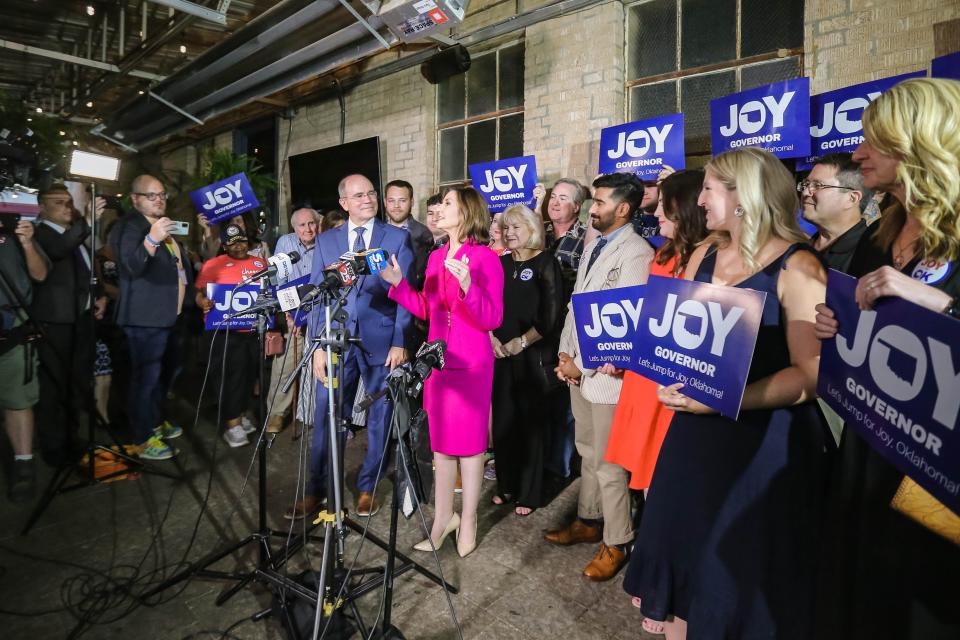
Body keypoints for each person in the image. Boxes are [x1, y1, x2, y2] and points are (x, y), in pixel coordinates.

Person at [628, 147, 829, 640]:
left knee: (730, 582)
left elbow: (811, 375)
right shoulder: (703, 254)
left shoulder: (798, 265)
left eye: (710, 188)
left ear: (744, 196)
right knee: (682, 570)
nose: (699, 199)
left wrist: (729, 399)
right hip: (691, 440)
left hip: (757, 448)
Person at [813, 77, 960, 640]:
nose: (857, 153)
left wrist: (942, 302)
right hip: (872, 446)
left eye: (873, 141)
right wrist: (838, 328)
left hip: (935, 473)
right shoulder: (883, 231)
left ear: (919, 142)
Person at [380, 187, 504, 558]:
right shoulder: (435, 258)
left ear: (467, 212)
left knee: (470, 449)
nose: (439, 210)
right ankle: (442, 519)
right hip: (438, 364)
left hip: (471, 365)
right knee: (442, 448)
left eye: (448, 204)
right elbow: (427, 308)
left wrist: (468, 287)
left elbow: (492, 317)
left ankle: (468, 520)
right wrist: (397, 284)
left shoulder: (485, 259)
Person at [544, 172, 654, 582]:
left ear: (624, 209)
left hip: (607, 376)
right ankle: (589, 521)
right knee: (587, 452)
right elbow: (579, 307)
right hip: (579, 369)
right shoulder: (596, 245)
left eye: (601, 202)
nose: (594, 208)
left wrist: (582, 364)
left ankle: (618, 539)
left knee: (609, 465)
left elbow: (619, 325)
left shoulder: (637, 253)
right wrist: (565, 352)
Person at [292, 174, 414, 520]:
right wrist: (316, 346)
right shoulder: (327, 241)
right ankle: (316, 490)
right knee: (326, 413)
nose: (368, 199)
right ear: (343, 203)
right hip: (334, 341)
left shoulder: (397, 238)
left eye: (371, 193)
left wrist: (399, 341)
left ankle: (367, 487)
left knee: (379, 416)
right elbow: (317, 293)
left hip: (381, 342)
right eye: (358, 195)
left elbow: (404, 293)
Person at [109, 174, 193, 460]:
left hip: (168, 317)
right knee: (145, 379)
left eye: (162, 195)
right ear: (135, 199)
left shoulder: (160, 227)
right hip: (144, 318)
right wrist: (152, 239)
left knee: (162, 376)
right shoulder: (128, 227)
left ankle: (155, 421)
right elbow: (131, 266)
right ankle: (142, 437)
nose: (159, 200)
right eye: (151, 195)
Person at [489, 204, 564, 516]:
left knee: (531, 425)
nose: (509, 233)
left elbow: (551, 315)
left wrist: (521, 342)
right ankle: (506, 485)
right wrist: (492, 338)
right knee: (504, 423)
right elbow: (489, 306)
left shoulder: (547, 262)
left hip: (533, 357)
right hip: (500, 355)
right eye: (506, 227)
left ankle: (529, 494)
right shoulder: (501, 264)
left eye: (516, 227)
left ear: (531, 228)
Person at [30, 185, 107, 467]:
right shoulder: (41, 234)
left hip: (82, 319)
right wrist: (87, 221)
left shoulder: (74, 233)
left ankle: (73, 439)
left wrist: (98, 296)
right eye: (59, 202)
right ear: (42, 206)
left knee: (77, 383)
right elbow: (59, 251)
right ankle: (54, 448)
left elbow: (87, 270)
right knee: (54, 387)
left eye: (69, 202)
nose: (67, 207)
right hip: (57, 323)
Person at [194, 224, 266, 447]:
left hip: (252, 330)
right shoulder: (213, 265)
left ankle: (240, 415)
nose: (238, 246)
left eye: (242, 241)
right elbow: (199, 293)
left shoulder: (260, 263)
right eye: (232, 243)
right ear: (224, 245)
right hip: (224, 332)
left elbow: (267, 291)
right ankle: (232, 425)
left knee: (247, 377)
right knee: (229, 377)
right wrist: (202, 302)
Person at [0, 212, 49, 502]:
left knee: (18, 400)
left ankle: (24, 463)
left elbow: (40, 274)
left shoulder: (12, 228)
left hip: (11, 327)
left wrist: (28, 243)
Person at [263, 207, 320, 434]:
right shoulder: (285, 244)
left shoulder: (325, 243)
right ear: (294, 227)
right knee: (284, 366)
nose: (308, 229)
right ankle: (276, 413)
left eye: (311, 224)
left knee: (317, 366)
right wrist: (289, 314)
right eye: (302, 225)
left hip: (317, 312)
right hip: (292, 314)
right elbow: (277, 280)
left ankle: (313, 411)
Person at [800, 153, 871, 272]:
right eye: (806, 185)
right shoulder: (800, 249)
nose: (805, 193)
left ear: (852, 198)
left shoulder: (870, 253)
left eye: (817, 185)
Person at [384, 180, 433, 290]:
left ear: (412, 202)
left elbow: (424, 274)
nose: (396, 206)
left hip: (410, 295)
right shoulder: (376, 231)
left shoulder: (423, 234)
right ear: (385, 202)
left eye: (402, 200)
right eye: (391, 201)